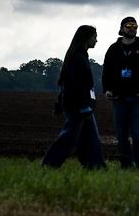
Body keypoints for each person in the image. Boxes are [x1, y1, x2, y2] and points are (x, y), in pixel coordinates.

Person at [42, 25, 106, 169]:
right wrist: (84, 106)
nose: (96, 40)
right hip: (79, 107)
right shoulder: (78, 58)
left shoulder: (79, 56)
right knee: (68, 138)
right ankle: (49, 164)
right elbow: (75, 85)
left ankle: (95, 166)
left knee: (89, 138)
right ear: (86, 38)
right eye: (94, 37)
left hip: (80, 106)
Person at [101, 15, 139, 169]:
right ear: (121, 29)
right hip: (118, 98)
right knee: (121, 135)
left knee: (138, 134)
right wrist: (107, 90)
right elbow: (106, 71)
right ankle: (125, 164)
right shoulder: (113, 49)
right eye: (128, 26)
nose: (132, 29)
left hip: (137, 98)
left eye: (134, 26)